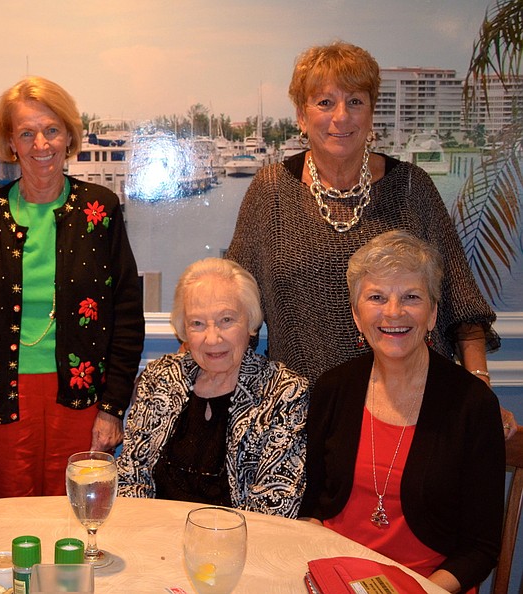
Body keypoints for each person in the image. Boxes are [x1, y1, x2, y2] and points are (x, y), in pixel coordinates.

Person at [223, 40, 516, 436]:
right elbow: (235, 302)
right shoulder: (271, 191)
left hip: (411, 408)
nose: (340, 117)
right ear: (301, 115)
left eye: (355, 101)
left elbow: (461, 302)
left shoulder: (412, 188)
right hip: (301, 415)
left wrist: (479, 385)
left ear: (371, 111)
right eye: (324, 102)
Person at [0, 76, 145, 498]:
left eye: (52, 130)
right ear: (11, 142)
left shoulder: (100, 210)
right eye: (27, 133)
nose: (41, 145)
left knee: (73, 524)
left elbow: (126, 316)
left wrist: (112, 407)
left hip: (82, 397)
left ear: (68, 135)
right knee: (11, 525)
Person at [299, 231, 504, 593]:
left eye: (411, 297)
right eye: (377, 297)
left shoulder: (472, 405)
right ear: (357, 315)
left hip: (430, 586)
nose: (394, 312)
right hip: (334, 579)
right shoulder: (333, 388)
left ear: (432, 313)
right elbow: (312, 504)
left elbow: (481, 549)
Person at [117, 258, 308, 517]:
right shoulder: (160, 377)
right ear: (184, 329)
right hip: (156, 539)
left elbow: (275, 507)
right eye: (197, 323)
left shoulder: (283, 392)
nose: (212, 338)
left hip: (239, 546)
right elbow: (131, 475)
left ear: (251, 322)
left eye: (226, 320)